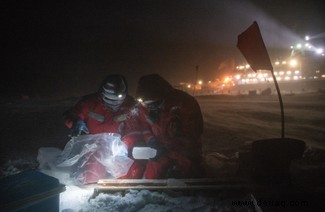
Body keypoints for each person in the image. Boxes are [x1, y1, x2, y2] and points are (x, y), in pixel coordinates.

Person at [63, 74, 146, 184]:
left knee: (129, 177)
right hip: (95, 146)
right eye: (108, 100)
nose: (113, 105)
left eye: (117, 101)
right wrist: (75, 122)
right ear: (102, 94)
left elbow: (134, 127)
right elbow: (71, 114)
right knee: (89, 178)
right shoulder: (89, 102)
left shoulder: (130, 105)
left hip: (119, 147)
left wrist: (128, 145)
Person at [135, 74, 205, 179]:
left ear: (164, 96)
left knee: (184, 179)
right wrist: (151, 141)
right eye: (146, 104)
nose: (150, 107)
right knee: (152, 179)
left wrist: (173, 150)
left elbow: (194, 132)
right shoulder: (143, 108)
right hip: (160, 151)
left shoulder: (184, 103)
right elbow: (144, 127)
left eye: (155, 103)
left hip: (185, 151)